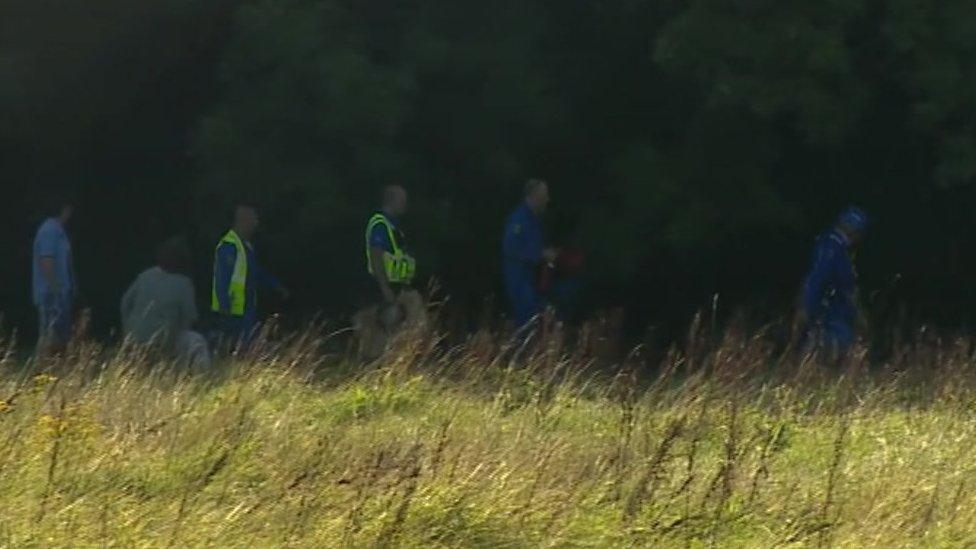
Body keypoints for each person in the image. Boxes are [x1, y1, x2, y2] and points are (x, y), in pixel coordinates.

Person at [121, 238, 210, 371]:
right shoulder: (184, 284)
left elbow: (125, 304)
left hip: (133, 339)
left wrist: (129, 329)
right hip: (162, 343)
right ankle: (193, 378)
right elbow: (189, 318)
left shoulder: (146, 275)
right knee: (197, 341)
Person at [211, 203, 288, 347]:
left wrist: (276, 286)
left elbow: (255, 272)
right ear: (243, 221)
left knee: (248, 348)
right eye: (253, 220)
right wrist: (225, 306)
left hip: (245, 308)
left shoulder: (245, 246)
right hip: (234, 311)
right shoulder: (229, 245)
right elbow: (222, 279)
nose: (256, 224)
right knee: (241, 349)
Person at [800, 206, 869, 359]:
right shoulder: (832, 248)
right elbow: (818, 279)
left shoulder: (834, 246)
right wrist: (807, 306)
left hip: (833, 315)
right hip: (830, 316)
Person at [502, 179, 559, 328]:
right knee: (526, 325)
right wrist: (541, 254)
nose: (548, 199)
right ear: (534, 196)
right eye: (544, 195)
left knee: (541, 321)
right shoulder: (519, 219)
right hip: (519, 280)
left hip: (533, 280)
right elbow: (511, 249)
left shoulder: (534, 221)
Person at [365, 185, 416, 327]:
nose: (405, 204)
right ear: (391, 201)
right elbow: (376, 257)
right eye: (402, 200)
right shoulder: (380, 224)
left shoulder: (393, 225)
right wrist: (385, 289)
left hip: (396, 288)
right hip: (382, 290)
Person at [32, 196, 76, 356]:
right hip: (51, 295)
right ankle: (42, 376)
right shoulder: (50, 230)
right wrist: (56, 288)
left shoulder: (59, 231)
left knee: (60, 342)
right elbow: (47, 261)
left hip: (61, 294)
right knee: (49, 340)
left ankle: (57, 376)